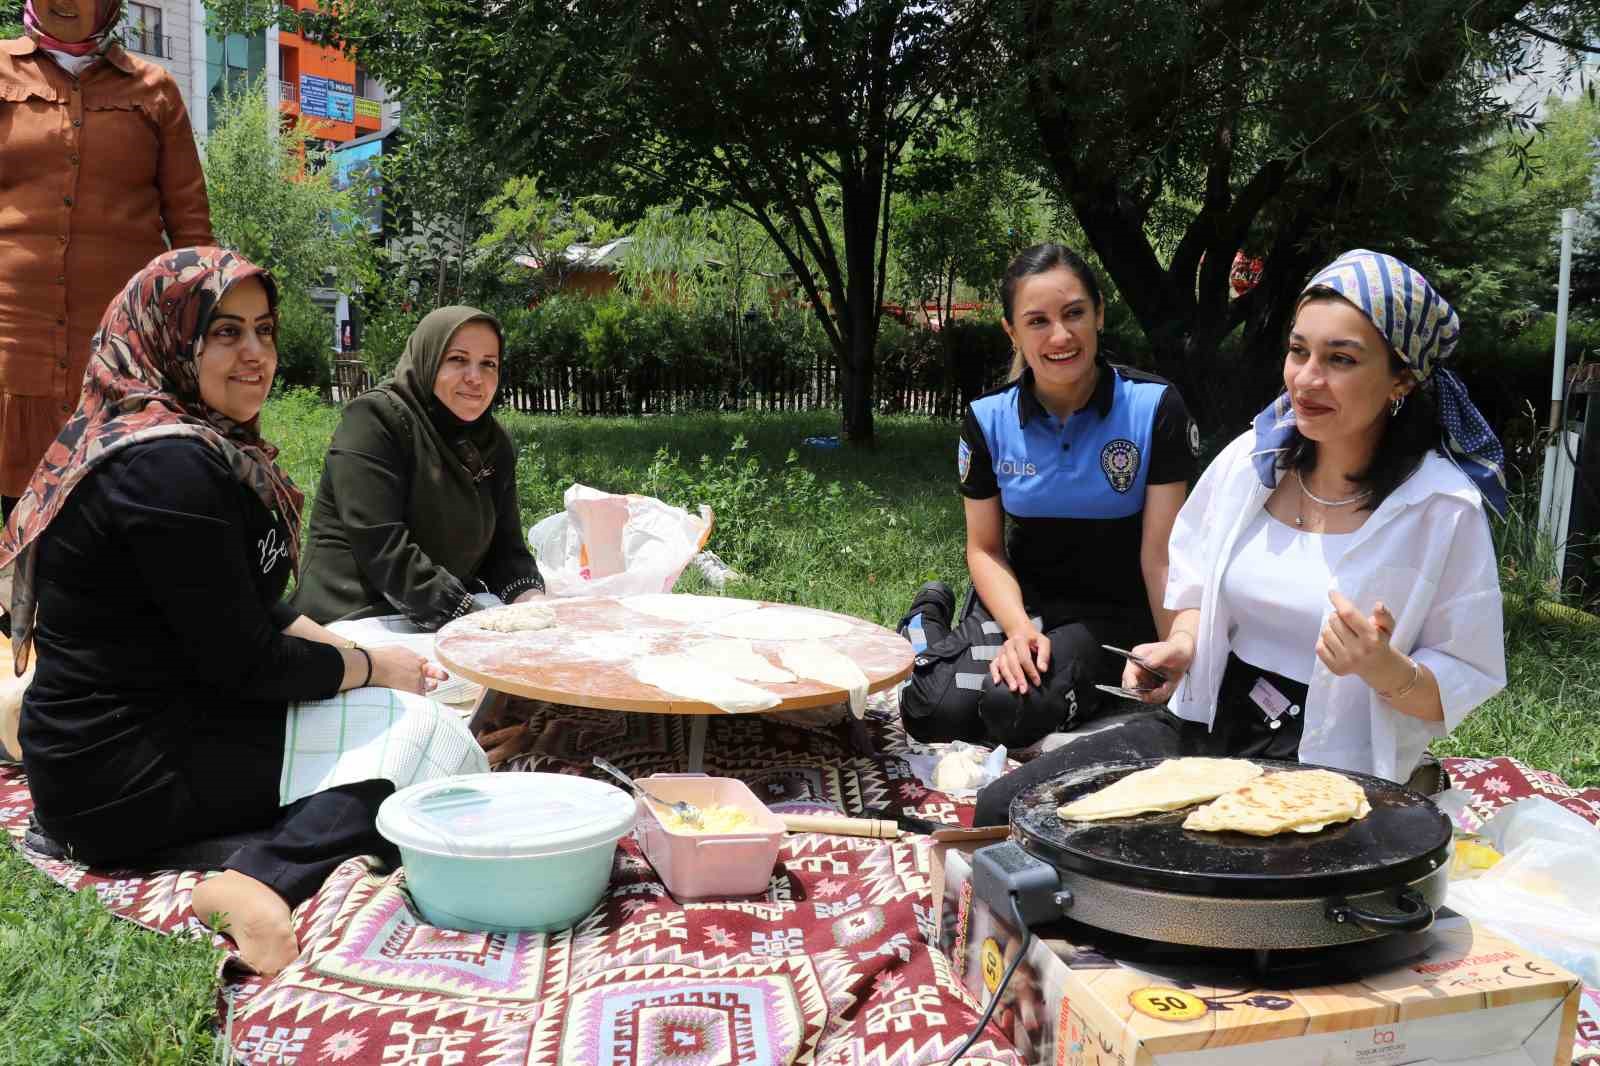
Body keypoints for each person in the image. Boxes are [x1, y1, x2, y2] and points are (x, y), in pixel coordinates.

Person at [0, 249, 487, 975]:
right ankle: (257, 878)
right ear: (169, 338)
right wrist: (367, 668)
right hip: (119, 776)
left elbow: (261, 607)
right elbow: (248, 664)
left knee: (407, 716)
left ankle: (272, 843)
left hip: (167, 723)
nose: (255, 354)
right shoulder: (164, 469)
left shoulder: (199, 445)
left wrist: (371, 668)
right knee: (419, 743)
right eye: (225, 333)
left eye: (264, 330)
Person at [973, 249, 1507, 825]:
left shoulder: (1439, 508)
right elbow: (1194, 588)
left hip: (1327, 764)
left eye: (1341, 359)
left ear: (1401, 377)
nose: (1307, 379)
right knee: (1007, 810)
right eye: (1299, 351)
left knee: (1191, 888)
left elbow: (1458, 679)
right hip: (1207, 726)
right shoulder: (1253, 465)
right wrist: (1180, 647)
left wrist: (1383, 668)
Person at [897, 243, 1198, 752]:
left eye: (1074, 313)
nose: (1060, 336)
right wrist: (1016, 632)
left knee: (1008, 707)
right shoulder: (987, 419)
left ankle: (962, 651)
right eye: (1037, 321)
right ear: (1012, 331)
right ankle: (925, 623)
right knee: (932, 711)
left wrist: (1172, 659)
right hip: (1020, 606)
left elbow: (1161, 555)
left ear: (1100, 314)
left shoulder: (1154, 408)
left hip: (1109, 615)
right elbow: (986, 549)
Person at [0, 1, 212, 518]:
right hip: (10, 340)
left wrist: (207, 331)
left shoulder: (154, 89)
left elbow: (191, 228)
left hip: (121, 348)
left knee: (108, 514)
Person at [290, 306, 544, 628]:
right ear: (428, 358)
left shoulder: (493, 444)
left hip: (446, 614)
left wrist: (533, 606)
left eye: (488, 364)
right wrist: (474, 623)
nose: (475, 378)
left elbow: (506, 551)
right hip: (356, 620)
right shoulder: (375, 422)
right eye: (457, 360)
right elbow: (384, 550)